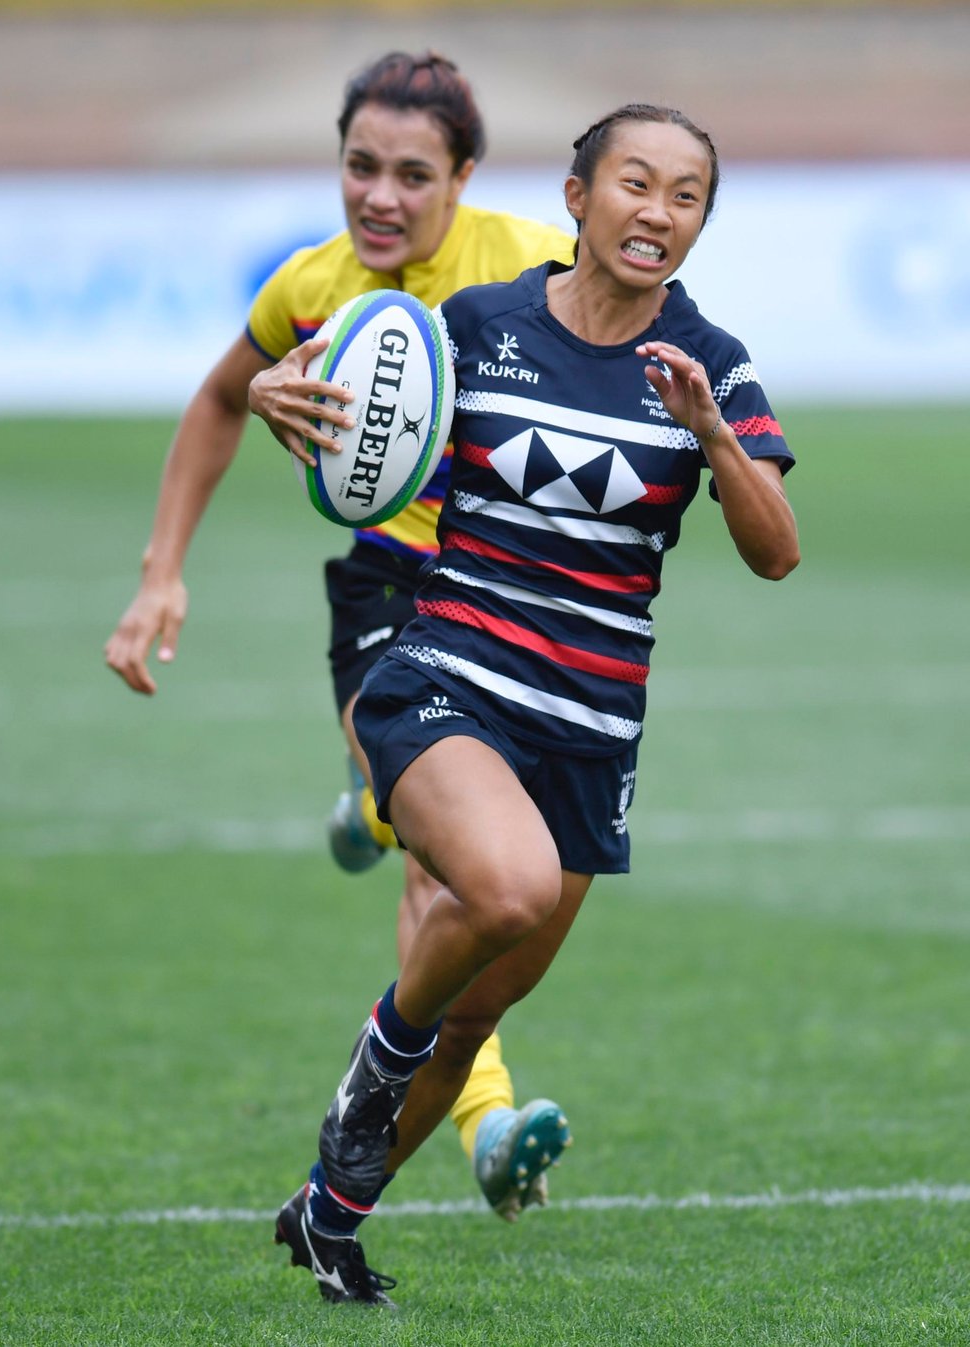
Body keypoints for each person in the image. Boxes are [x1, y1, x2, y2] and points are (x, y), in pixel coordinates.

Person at [263, 102, 800, 1307]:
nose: (656, 213)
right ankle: (367, 1079)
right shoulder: (480, 322)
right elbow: (371, 447)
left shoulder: (710, 361)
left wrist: (711, 434)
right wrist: (288, 406)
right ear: (576, 196)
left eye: (685, 197)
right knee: (494, 892)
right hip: (447, 671)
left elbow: (775, 550)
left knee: (476, 1019)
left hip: (589, 728)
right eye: (634, 184)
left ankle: (328, 1219)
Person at [103, 51, 577, 1222]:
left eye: (413, 174)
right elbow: (220, 397)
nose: (379, 196)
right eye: (359, 166)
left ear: (463, 177)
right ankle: (489, 1123)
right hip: (386, 594)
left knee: (443, 849)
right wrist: (161, 575)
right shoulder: (310, 288)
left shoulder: (526, 264)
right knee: (445, 863)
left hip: (503, 594)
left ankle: (363, 803)